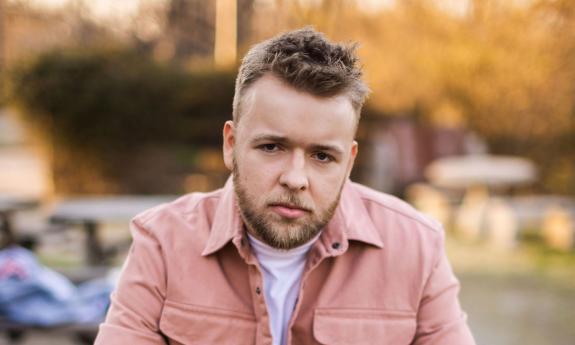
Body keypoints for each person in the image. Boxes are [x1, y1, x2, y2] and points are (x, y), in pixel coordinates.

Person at [94, 28, 476, 345]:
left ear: (350, 162)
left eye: (323, 156)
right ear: (231, 144)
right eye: (272, 147)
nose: (295, 178)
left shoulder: (416, 246)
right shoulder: (162, 241)